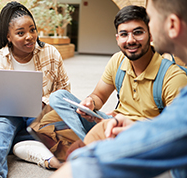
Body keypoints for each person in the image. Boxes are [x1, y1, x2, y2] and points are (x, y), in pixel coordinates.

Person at [14, 5, 187, 170]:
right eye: (124, 34)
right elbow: (99, 96)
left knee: (46, 131)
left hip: (139, 136)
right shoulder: (118, 61)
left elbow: (174, 132)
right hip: (108, 123)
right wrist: (90, 103)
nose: (131, 40)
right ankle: (89, 150)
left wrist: (126, 124)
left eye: (138, 32)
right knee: (58, 97)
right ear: (117, 38)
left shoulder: (173, 77)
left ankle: (79, 155)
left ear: (151, 34)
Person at [0, 1, 70, 178]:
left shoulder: (50, 53)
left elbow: (64, 92)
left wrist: (43, 102)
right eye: (21, 33)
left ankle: (9, 145)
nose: (29, 36)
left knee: (7, 133)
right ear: (8, 36)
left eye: (32, 29)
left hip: (40, 119)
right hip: (7, 120)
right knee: (2, 123)